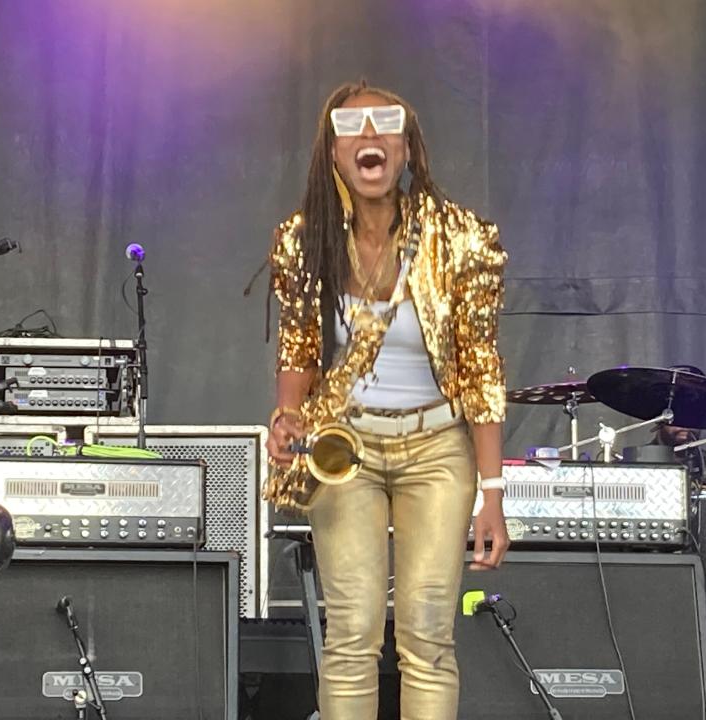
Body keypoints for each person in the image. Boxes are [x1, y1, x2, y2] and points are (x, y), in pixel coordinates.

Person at [265, 80, 510, 720]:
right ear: (334, 152)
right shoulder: (304, 240)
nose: (370, 137)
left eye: (386, 125)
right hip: (346, 446)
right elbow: (298, 351)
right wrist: (289, 416)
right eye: (353, 127)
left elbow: (482, 369)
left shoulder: (460, 239)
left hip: (437, 448)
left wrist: (493, 494)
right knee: (351, 636)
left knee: (429, 638)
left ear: (406, 148)